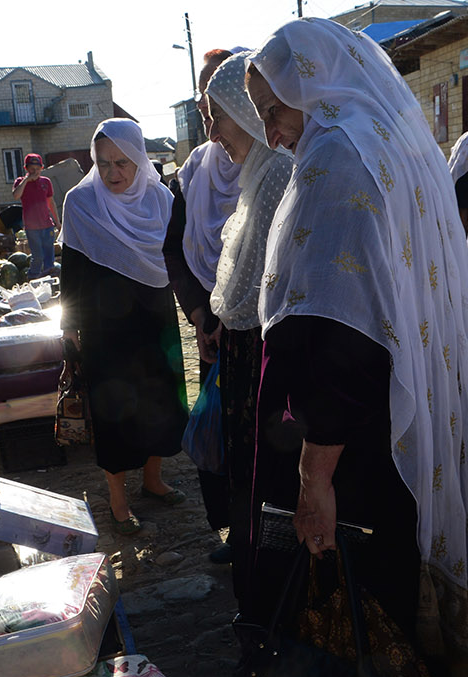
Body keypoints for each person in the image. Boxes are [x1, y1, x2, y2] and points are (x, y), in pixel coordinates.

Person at [234, 18, 468, 677]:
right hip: (396, 429)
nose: (273, 130)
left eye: (276, 107)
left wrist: (314, 480)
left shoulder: (337, 155)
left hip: (351, 447)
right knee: (392, 605)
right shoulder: (393, 141)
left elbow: (340, 339)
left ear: (313, 84)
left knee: (350, 619)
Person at [59, 119, 188, 536]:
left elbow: (178, 260)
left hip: (154, 315)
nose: (113, 173)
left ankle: (153, 479)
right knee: (114, 408)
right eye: (103, 163)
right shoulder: (81, 203)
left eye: (122, 162)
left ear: (140, 160)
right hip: (103, 323)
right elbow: (72, 269)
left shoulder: (162, 201)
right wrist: (70, 326)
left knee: (160, 397)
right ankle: (117, 499)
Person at [203, 49, 294, 610]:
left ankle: (267, 598)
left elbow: (262, 281)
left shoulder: (278, 169)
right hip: (245, 345)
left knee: (263, 477)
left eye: (219, 115)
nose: (213, 132)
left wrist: (226, 317)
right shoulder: (259, 171)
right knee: (248, 475)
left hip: (264, 347)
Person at [163, 47, 240, 554]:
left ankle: (268, 527)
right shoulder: (193, 174)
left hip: (262, 323)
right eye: (204, 104)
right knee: (218, 427)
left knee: (266, 432)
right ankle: (234, 530)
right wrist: (199, 314)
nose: (210, 116)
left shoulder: (277, 164)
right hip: (211, 323)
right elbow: (175, 250)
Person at [11, 154, 60, 280]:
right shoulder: (20, 182)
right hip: (32, 227)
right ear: (26, 169)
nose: (35, 171)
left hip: (47, 225)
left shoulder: (46, 182)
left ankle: (49, 281)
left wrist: (57, 222)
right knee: (37, 256)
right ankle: (33, 279)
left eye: (37, 168)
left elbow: (51, 203)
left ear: (42, 168)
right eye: (32, 169)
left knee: (49, 256)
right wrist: (26, 180)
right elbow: (16, 195)